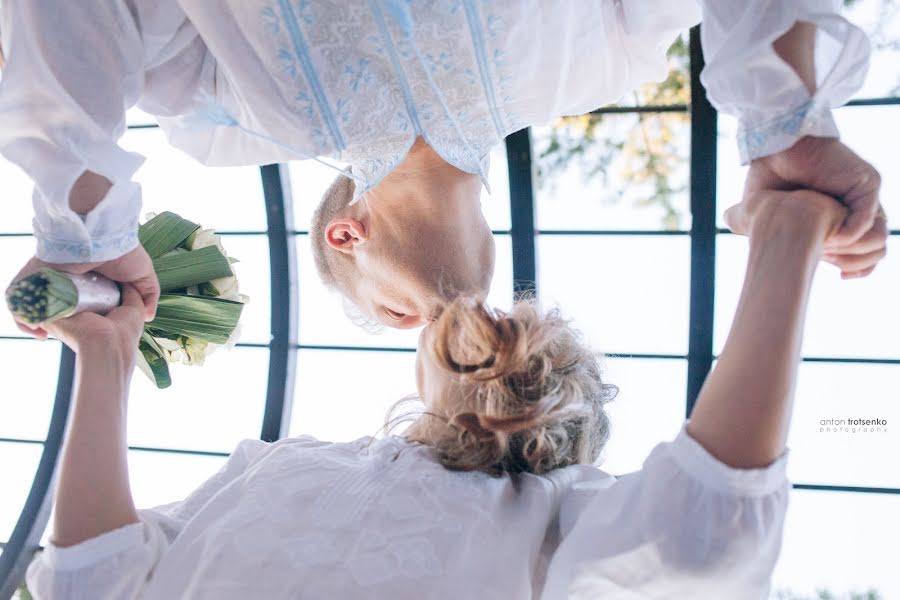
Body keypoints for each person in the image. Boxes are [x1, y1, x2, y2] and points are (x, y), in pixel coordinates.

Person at [26, 184, 849, 598]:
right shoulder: (277, 462)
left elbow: (705, 528)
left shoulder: (556, 508)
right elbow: (99, 578)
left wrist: (105, 357)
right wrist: (103, 354)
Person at [0, 1, 889, 335]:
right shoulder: (595, 64)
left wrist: (85, 228)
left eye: (391, 319)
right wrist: (785, 130)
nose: (426, 337)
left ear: (349, 234)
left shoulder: (240, 104)